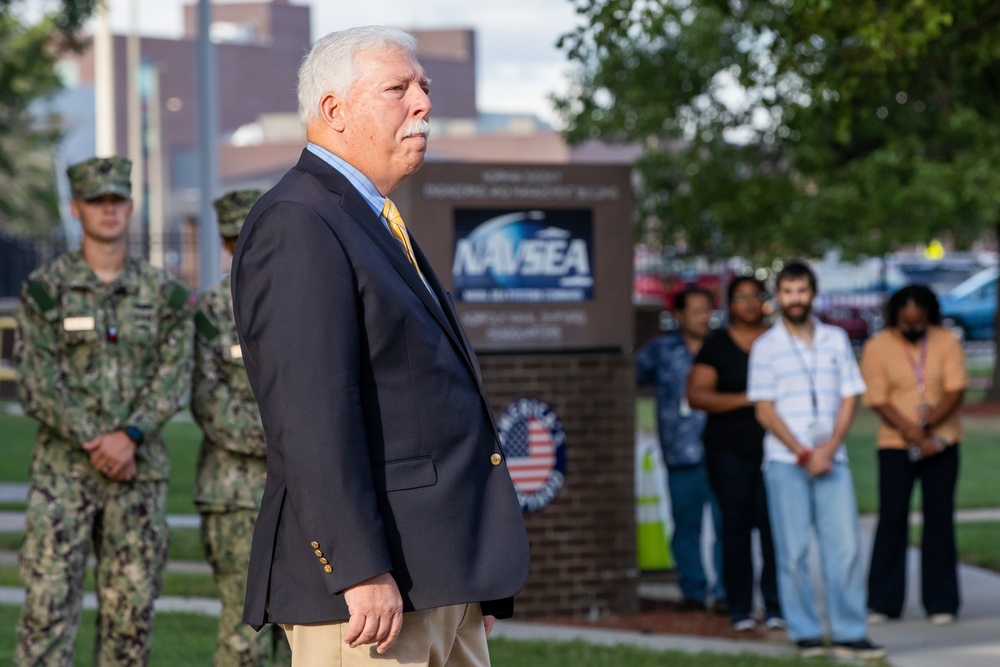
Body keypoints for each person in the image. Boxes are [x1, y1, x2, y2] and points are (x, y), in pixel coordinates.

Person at [229, 26, 530, 666]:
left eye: (424, 87)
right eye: (399, 88)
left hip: (438, 576)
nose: (422, 103)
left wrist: (465, 583)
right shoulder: (300, 222)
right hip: (370, 596)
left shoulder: (368, 215)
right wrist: (359, 569)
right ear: (333, 110)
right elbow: (311, 416)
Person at [12, 156, 194, 665]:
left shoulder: (166, 295)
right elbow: (37, 381)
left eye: (117, 200)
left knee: (130, 623)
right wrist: (101, 440)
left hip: (138, 477)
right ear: (76, 209)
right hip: (63, 476)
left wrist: (130, 435)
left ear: (131, 207)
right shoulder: (46, 290)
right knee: (46, 616)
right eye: (97, 201)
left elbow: (174, 373)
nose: (108, 210)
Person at [747, 260, 885, 660]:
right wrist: (804, 452)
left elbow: (849, 396)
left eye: (801, 291)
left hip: (833, 460)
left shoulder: (836, 339)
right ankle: (805, 632)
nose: (795, 299)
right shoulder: (765, 347)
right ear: (779, 296)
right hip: (785, 462)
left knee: (843, 550)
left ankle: (849, 630)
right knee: (792, 553)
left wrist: (827, 449)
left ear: (813, 293)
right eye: (788, 292)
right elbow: (764, 410)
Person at [192, 189, 291, 666]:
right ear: (227, 243)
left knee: (303, 630)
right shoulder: (212, 311)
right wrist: (286, 441)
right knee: (244, 629)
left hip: (299, 492)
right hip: (235, 496)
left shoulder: (301, 301)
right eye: (235, 237)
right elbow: (209, 404)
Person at [861, 284, 966, 626]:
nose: (912, 329)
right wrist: (912, 431)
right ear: (895, 317)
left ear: (928, 315)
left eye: (918, 322)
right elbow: (877, 397)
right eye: (906, 323)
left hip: (942, 441)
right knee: (892, 519)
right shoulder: (878, 346)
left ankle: (941, 603)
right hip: (895, 443)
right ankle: (883, 602)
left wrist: (929, 426)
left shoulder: (946, 340)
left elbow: (955, 389)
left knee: (939, 520)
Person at [687, 276, 782, 632]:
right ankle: (740, 608)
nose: (748, 304)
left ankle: (776, 606)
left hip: (777, 450)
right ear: (730, 304)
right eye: (739, 297)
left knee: (775, 530)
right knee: (736, 530)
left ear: (764, 301)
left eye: (754, 296)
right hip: (729, 452)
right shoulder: (717, 346)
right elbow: (697, 395)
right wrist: (748, 398)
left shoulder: (778, 341)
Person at [636, 287, 726, 612]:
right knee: (686, 526)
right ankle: (693, 591)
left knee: (725, 525)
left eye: (708, 310)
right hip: (680, 454)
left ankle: (726, 593)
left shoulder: (722, 347)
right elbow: (629, 379)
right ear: (680, 315)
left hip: (721, 452)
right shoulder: (659, 351)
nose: (705, 318)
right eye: (698, 311)